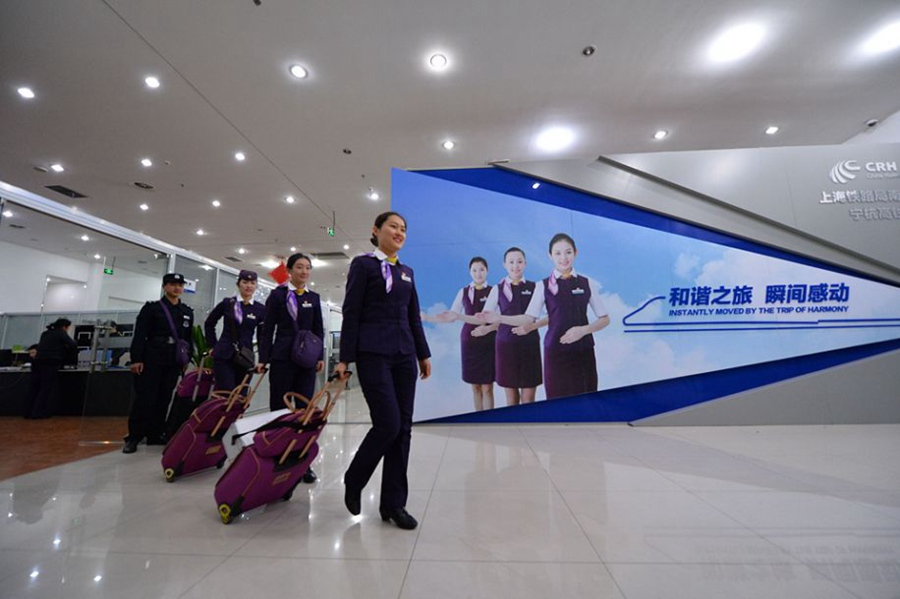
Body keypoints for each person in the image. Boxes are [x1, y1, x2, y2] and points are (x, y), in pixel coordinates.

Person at [336, 211, 432, 530]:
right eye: (393, 226)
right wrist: (344, 358)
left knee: (403, 428)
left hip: (405, 354)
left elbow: (414, 316)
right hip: (373, 353)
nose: (399, 231)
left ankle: (394, 504)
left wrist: (423, 354)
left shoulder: (407, 272)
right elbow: (351, 312)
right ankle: (355, 477)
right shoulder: (363, 265)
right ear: (375, 231)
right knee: (387, 423)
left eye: (404, 228)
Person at [479, 233, 609, 399]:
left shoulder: (586, 282)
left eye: (568, 252)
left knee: (587, 402)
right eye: (558, 253)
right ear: (550, 256)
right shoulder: (543, 285)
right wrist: (500, 318)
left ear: (575, 253)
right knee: (556, 406)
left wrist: (583, 330)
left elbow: (605, 318)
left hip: (583, 353)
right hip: (555, 353)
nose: (563, 258)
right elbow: (527, 318)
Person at [258, 253, 324, 483]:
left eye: (308, 267)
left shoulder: (313, 298)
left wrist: (320, 355)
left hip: (306, 360)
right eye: (299, 267)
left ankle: (302, 460)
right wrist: (263, 359)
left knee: (304, 410)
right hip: (282, 357)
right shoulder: (277, 296)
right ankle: (277, 453)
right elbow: (268, 330)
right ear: (289, 270)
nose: (304, 271)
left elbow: (318, 329)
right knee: (279, 407)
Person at [123, 273, 194, 454]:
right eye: (172, 284)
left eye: (180, 285)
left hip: (173, 360)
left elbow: (188, 338)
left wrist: (187, 359)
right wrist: (136, 358)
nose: (176, 288)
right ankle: (134, 436)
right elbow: (140, 335)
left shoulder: (186, 311)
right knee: (146, 398)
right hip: (152, 358)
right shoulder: (152, 309)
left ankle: (155, 433)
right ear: (164, 286)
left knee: (164, 397)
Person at [424, 257, 496, 411]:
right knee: (475, 387)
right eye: (474, 270)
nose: (478, 273)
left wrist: (489, 329)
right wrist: (428, 318)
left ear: (487, 271)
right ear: (470, 272)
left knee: (488, 388)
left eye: (481, 269)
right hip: (469, 343)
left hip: (488, 342)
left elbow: (500, 319)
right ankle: (479, 420)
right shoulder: (463, 292)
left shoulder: (494, 291)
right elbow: (451, 315)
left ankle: (491, 420)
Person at [481, 247, 542, 405]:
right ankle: (515, 429)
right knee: (511, 399)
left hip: (530, 345)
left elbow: (551, 315)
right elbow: (487, 315)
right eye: (511, 262)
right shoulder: (498, 289)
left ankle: (529, 429)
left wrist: (531, 327)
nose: (516, 265)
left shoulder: (535, 287)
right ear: (504, 265)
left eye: (519, 261)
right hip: (506, 346)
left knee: (528, 399)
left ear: (525, 264)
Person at [204, 270, 266, 393]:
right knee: (225, 394)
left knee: (240, 396)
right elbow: (209, 323)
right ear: (238, 284)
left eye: (252, 283)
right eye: (245, 282)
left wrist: (262, 360)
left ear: (256, 286)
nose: (249, 286)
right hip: (223, 355)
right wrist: (212, 345)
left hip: (245, 357)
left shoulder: (260, 309)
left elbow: (262, 336)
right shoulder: (228, 303)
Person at [23, 318, 77, 419]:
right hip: (50, 363)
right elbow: (72, 345)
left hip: (37, 362)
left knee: (35, 387)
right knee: (45, 388)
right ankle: (37, 412)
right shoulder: (61, 333)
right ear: (64, 327)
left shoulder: (45, 333)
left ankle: (28, 411)